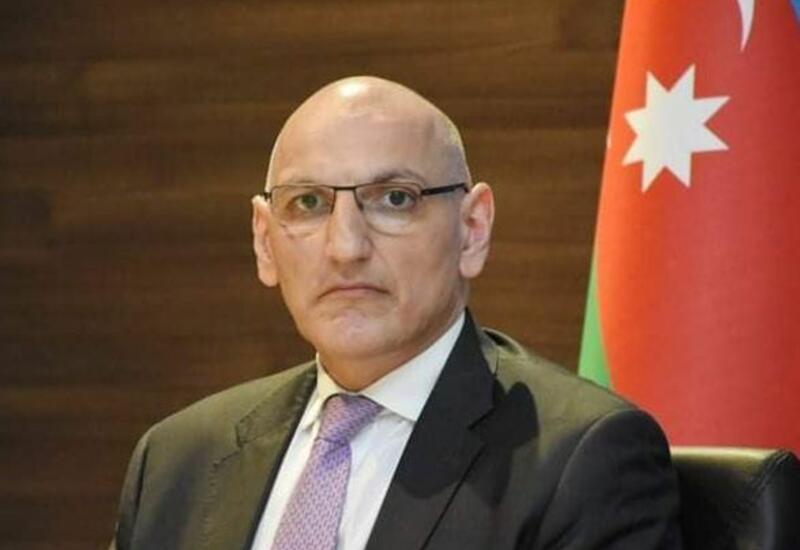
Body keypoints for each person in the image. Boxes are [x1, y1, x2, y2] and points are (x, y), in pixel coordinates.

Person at [110, 76, 683, 549]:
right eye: (308, 203)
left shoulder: (581, 462)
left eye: (394, 199)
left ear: (472, 228)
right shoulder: (175, 461)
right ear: (265, 241)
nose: (345, 247)